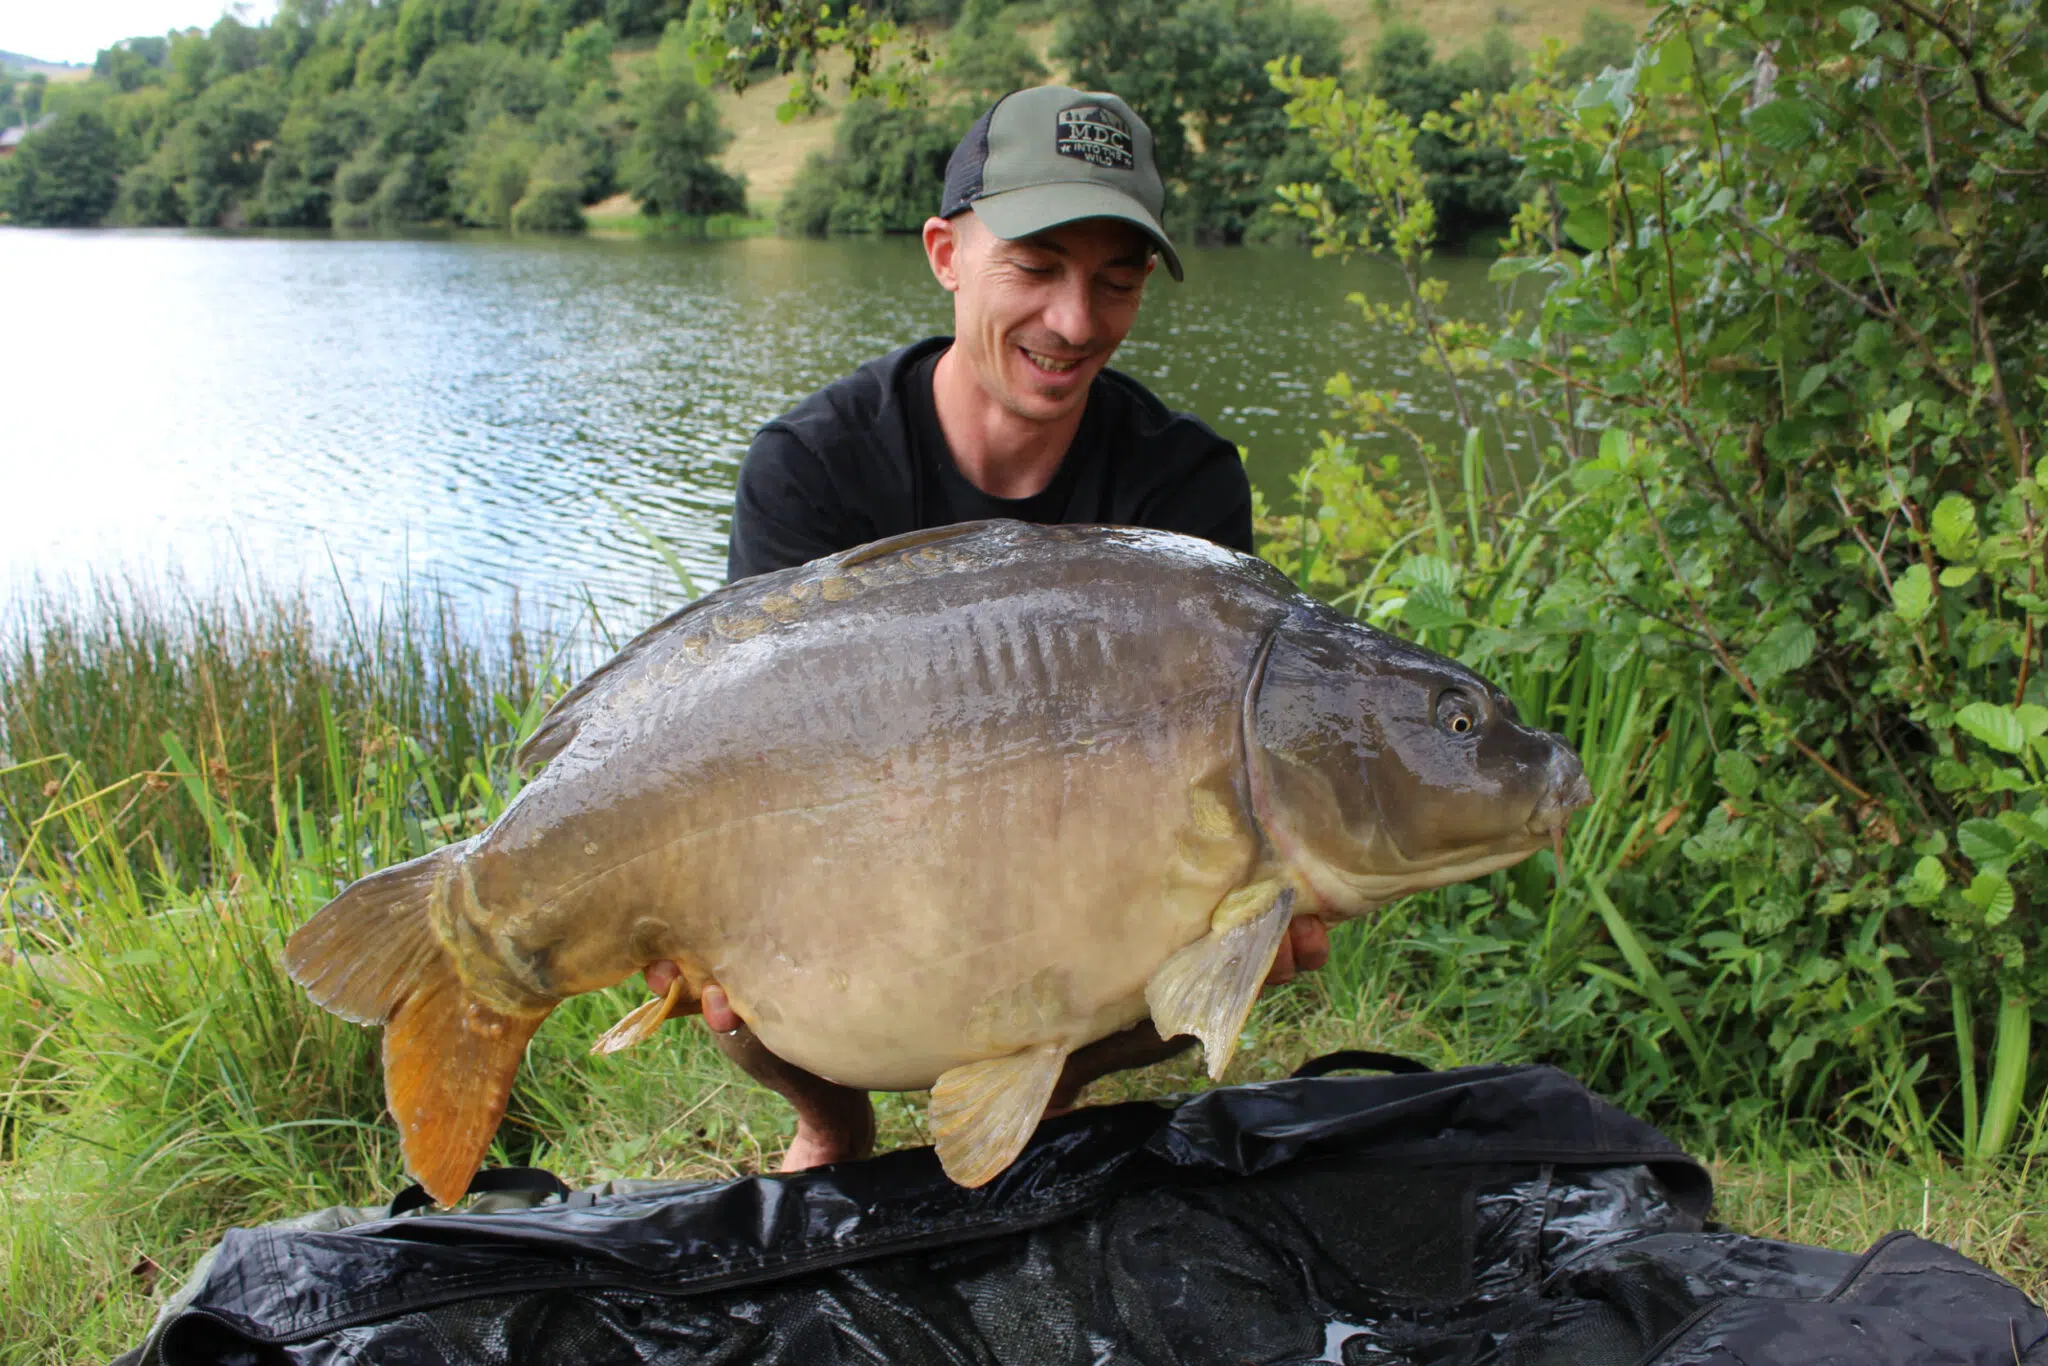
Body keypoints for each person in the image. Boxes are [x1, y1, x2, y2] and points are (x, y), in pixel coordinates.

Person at [649, 85, 1329, 1174]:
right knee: (735, 970)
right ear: (944, 253)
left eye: (1116, 280)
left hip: (1067, 866)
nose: (1073, 321)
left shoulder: (1181, 479)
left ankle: (1043, 1089)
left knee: (1245, 921)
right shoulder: (814, 467)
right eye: (1035, 267)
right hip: (852, 846)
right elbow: (751, 745)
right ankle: (831, 1123)